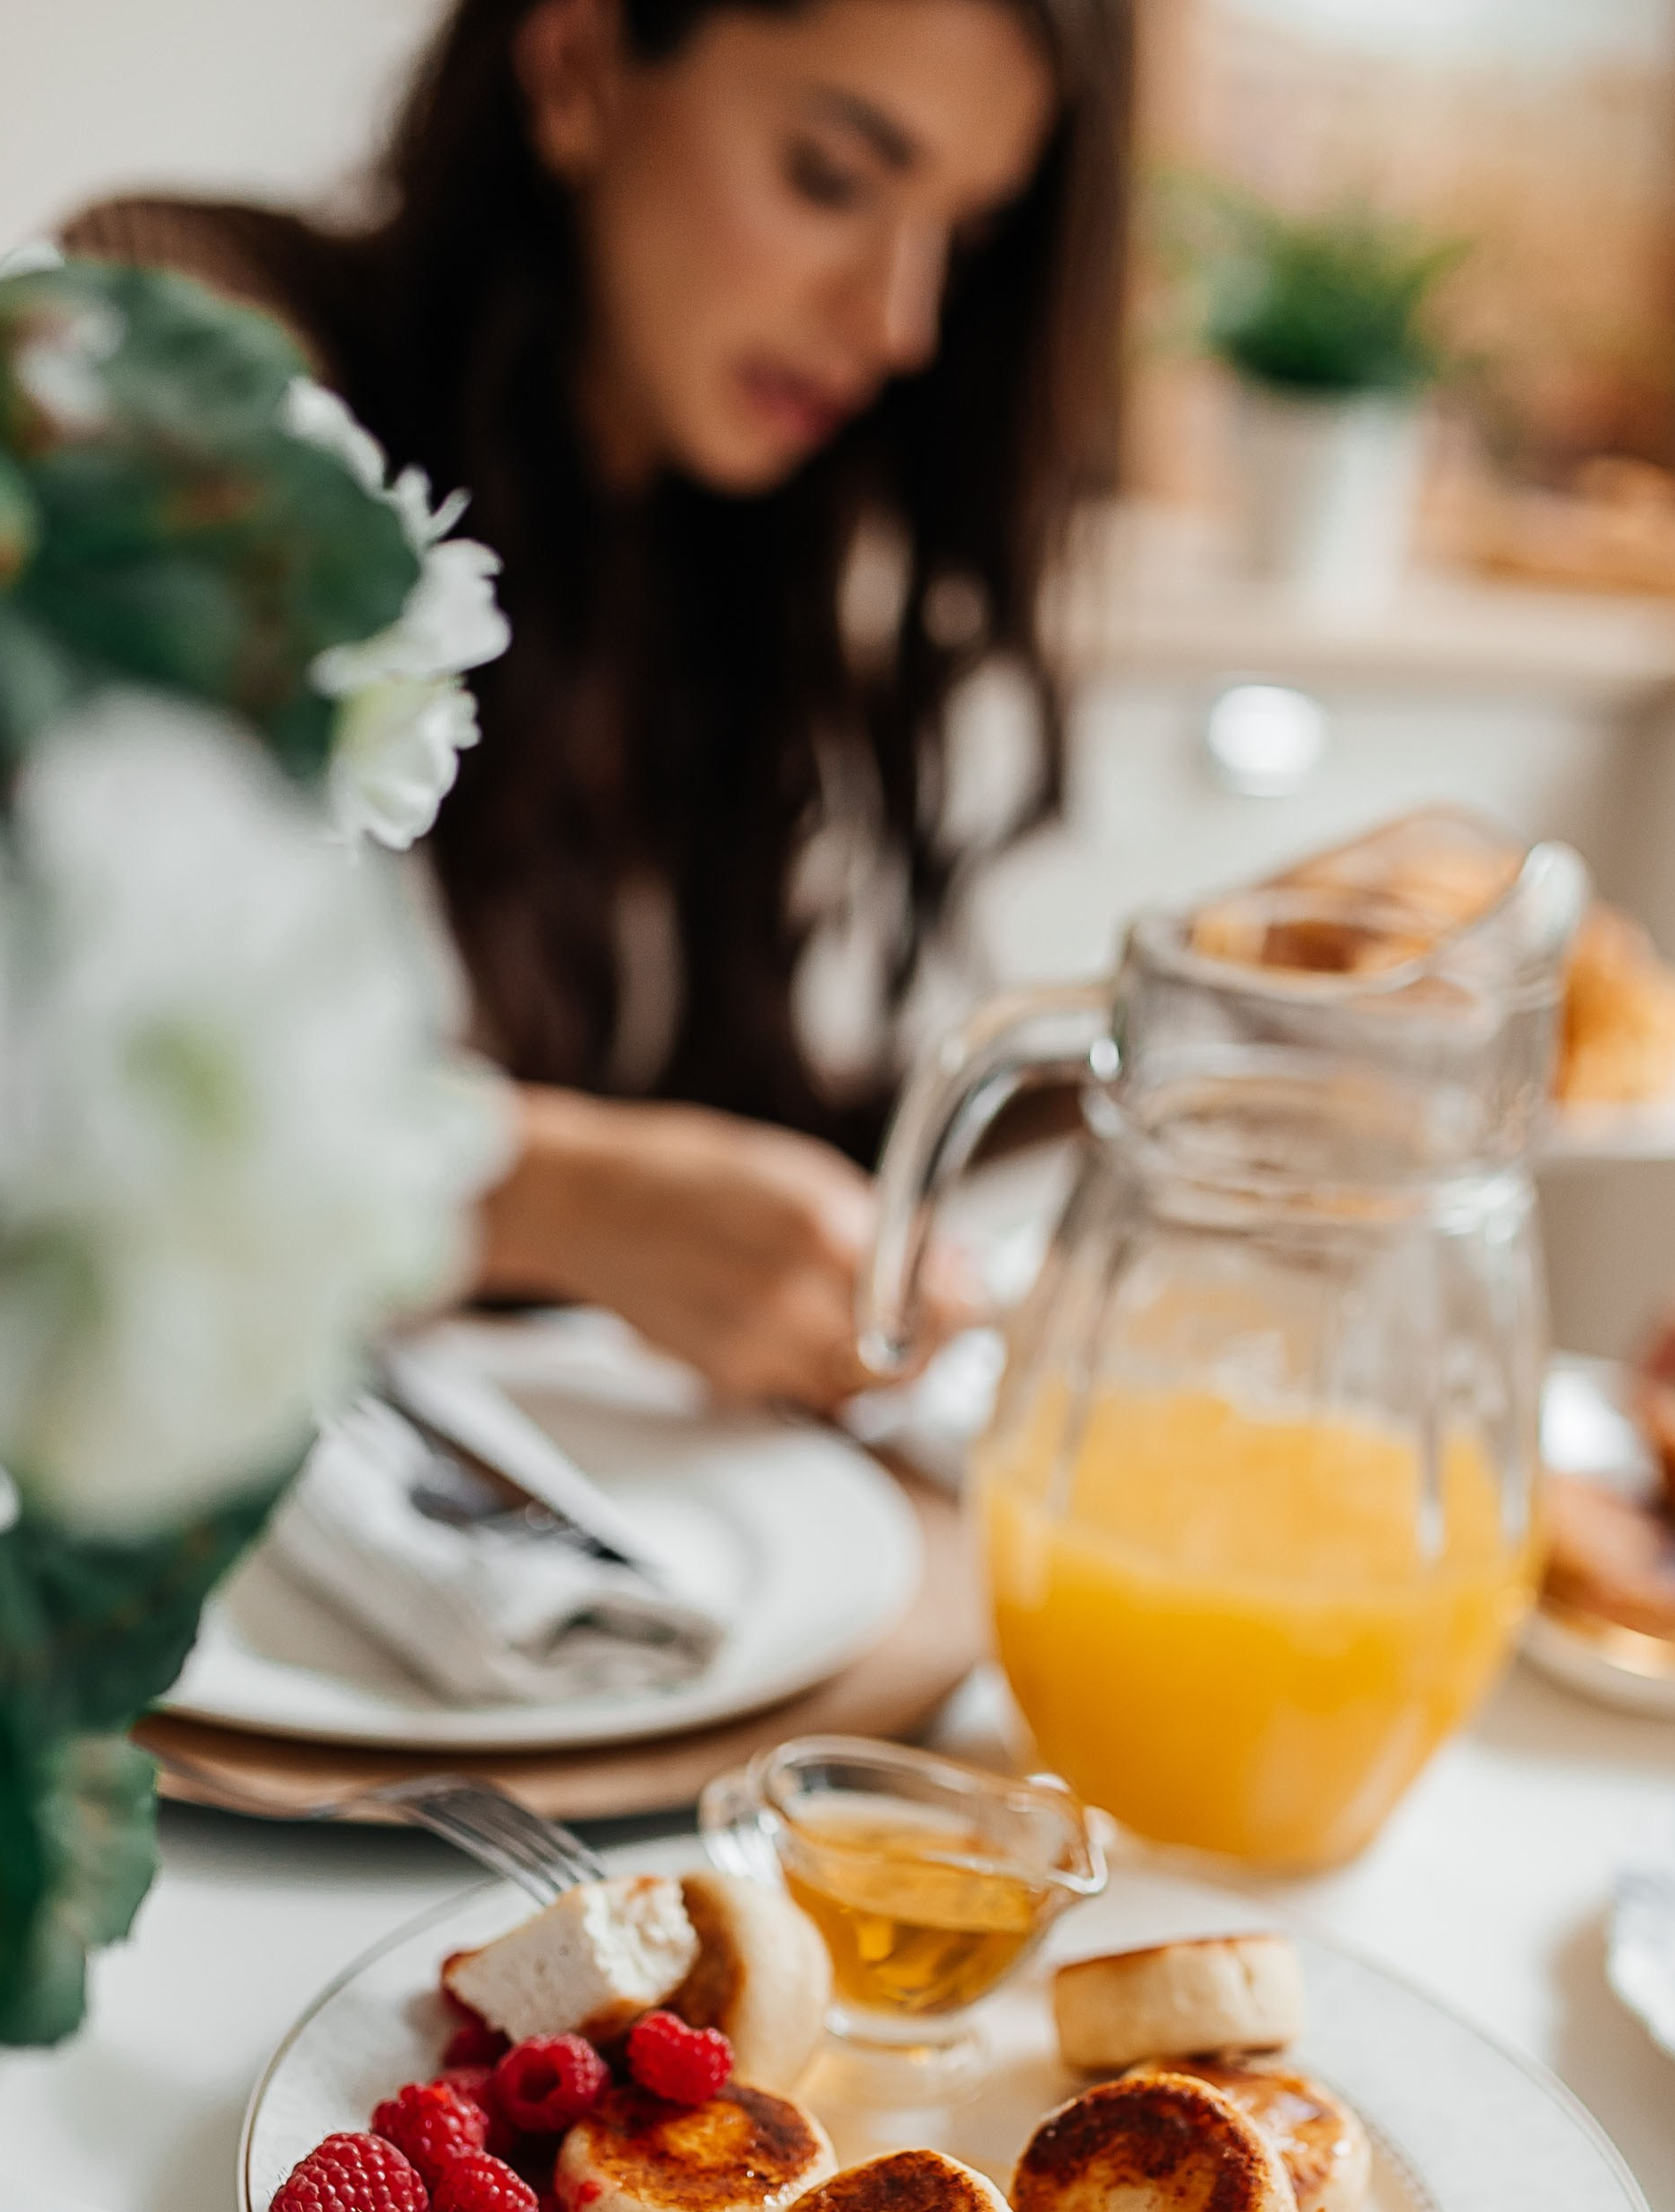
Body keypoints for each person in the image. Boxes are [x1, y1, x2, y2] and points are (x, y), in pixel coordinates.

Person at [70, 0, 1132, 1406]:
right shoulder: (192, 342)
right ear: (578, 67)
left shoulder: (721, 558)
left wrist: (1177, 1024)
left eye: (968, 237)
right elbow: (81, 1065)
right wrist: (546, 1196)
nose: (898, 323)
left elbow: (724, 1163)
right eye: (830, 179)